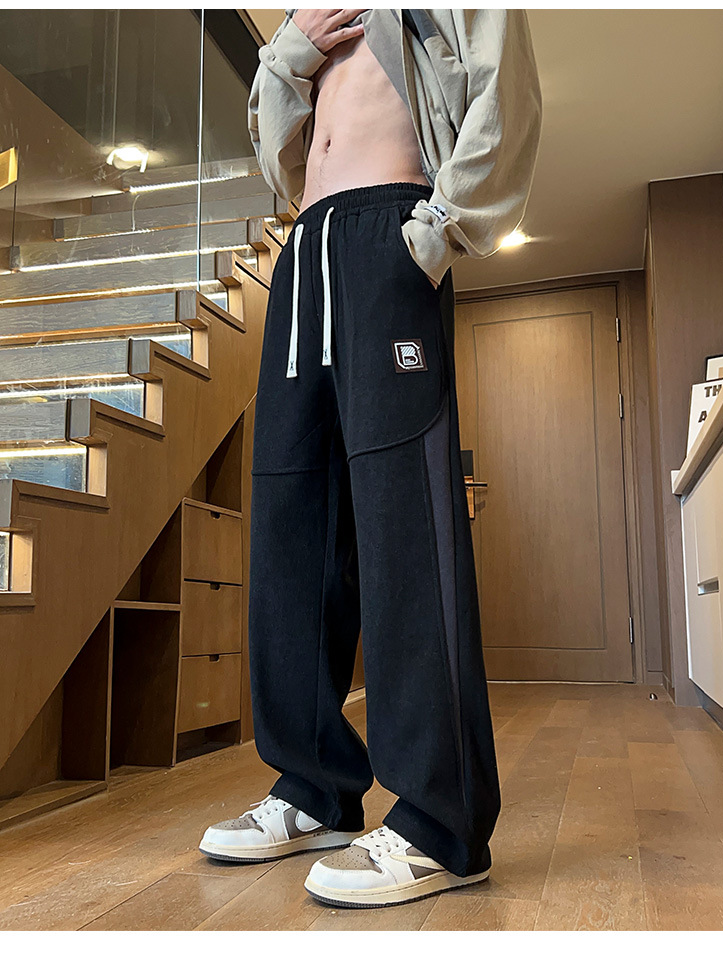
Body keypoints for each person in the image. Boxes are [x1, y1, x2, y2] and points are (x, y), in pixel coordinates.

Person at [199, 8, 542, 909]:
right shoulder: (308, 16)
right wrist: (292, 50)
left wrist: (435, 231)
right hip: (305, 247)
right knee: (290, 520)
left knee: (403, 525)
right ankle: (314, 787)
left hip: (390, 231)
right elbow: (276, 143)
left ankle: (440, 821)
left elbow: (505, 96)